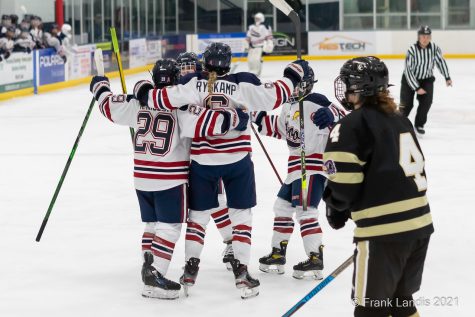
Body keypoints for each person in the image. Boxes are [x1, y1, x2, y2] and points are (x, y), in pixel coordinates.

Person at [134, 42, 309, 298]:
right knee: (241, 214)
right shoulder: (243, 82)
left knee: (198, 216)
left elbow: (159, 97)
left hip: (203, 163)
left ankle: (190, 268)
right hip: (237, 161)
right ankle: (242, 273)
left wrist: (142, 89)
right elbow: (276, 95)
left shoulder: (193, 84)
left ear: (205, 62)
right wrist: (295, 73)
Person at [89, 58, 249, 300]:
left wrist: (99, 86)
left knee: (152, 224)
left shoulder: (138, 103)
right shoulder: (181, 107)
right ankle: (155, 276)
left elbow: (107, 105)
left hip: (141, 178)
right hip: (169, 179)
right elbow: (210, 122)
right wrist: (237, 117)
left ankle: (148, 265)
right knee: (170, 227)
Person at [324, 56, 434, 317]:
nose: (346, 91)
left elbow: (343, 182)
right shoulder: (399, 119)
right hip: (420, 227)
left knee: (369, 310)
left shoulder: (351, 125)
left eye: (349, 84)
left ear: (360, 88)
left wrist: (335, 207)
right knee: (401, 302)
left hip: (384, 234)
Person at [253, 65, 345, 279]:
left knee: (305, 210)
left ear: (307, 84)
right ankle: (278, 253)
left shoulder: (316, 100)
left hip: (312, 167)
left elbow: (342, 115)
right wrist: (255, 116)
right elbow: (281, 129)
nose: (293, 88)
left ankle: (315, 257)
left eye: (298, 84)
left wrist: (330, 113)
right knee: (282, 207)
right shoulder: (288, 106)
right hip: (296, 168)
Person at [176, 51, 235, 270]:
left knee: (215, 202)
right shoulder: (179, 89)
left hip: (205, 155)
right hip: (179, 160)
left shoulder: (205, 86)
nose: (186, 72)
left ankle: (232, 243)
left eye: (190, 68)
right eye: (182, 69)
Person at [400, 25, 452, 136]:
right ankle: (398, 124)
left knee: (426, 102)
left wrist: (447, 77)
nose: (425, 39)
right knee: (407, 104)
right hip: (410, 79)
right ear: (419, 37)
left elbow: (440, 62)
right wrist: (417, 88)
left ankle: (419, 124)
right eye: (423, 36)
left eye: (428, 36)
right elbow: (408, 70)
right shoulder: (412, 50)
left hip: (426, 79)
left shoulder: (434, 48)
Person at [245, 12, 273, 76]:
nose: (257, 20)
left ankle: (256, 72)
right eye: (256, 18)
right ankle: (251, 70)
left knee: (257, 60)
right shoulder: (251, 27)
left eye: (258, 18)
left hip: (260, 46)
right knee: (250, 60)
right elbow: (248, 37)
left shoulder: (265, 26)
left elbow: (269, 36)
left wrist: (269, 44)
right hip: (252, 46)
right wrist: (246, 44)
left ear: (262, 19)